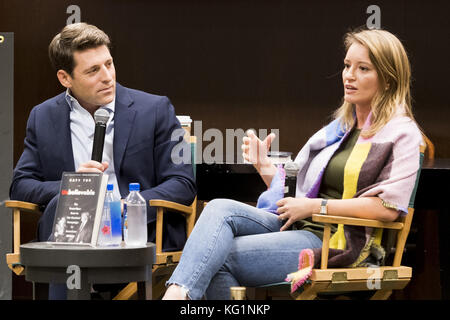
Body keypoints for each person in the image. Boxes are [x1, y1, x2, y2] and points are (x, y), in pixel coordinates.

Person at [163, 28, 424, 300]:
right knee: (218, 209)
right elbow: (297, 191)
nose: (349, 75)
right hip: (296, 224)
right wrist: (264, 166)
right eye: (347, 66)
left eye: (363, 69)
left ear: (389, 79)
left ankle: (176, 297)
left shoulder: (401, 133)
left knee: (216, 257)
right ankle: (177, 295)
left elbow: (388, 209)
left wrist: (316, 206)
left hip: (336, 241)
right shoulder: (340, 129)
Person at [10, 23, 196, 297]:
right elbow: (20, 186)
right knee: (62, 213)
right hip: (71, 229)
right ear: (65, 78)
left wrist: (129, 206)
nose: (107, 76)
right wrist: (73, 185)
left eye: (109, 64)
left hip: (135, 231)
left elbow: (182, 183)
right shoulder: (43, 116)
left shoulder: (154, 109)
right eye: (93, 70)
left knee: (66, 250)